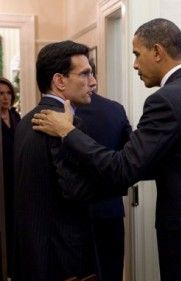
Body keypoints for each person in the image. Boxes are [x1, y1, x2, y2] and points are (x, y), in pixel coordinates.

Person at [31, 18, 181, 281]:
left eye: (138, 54)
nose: (135, 64)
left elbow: (123, 168)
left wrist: (68, 131)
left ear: (157, 52)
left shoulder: (165, 100)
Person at [13, 40, 104, 280]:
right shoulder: (63, 125)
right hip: (65, 262)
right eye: (85, 74)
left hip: (35, 256)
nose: (93, 82)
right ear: (59, 80)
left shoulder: (25, 122)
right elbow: (76, 192)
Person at [75, 86, 132, 280]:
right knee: (111, 273)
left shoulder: (61, 114)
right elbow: (130, 158)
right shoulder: (115, 110)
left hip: (74, 211)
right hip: (110, 208)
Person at [0, 77, 21, 277]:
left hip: (18, 182)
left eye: (8, 93)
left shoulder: (16, 118)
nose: (5, 98)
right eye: (0, 94)